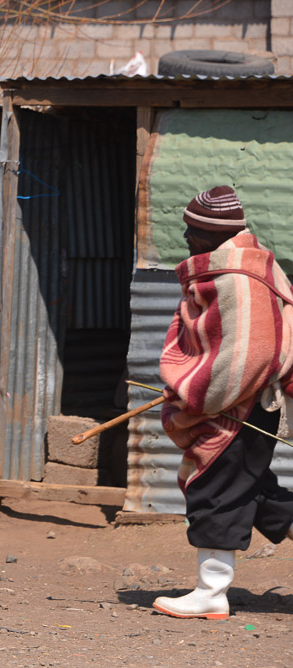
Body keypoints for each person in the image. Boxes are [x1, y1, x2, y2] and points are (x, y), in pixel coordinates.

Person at [154, 185, 293, 620]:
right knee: (250, 487)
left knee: (215, 488)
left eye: (192, 231)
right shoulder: (240, 268)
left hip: (240, 404)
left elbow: (249, 354)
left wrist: (197, 393)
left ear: (213, 234)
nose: (187, 239)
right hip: (244, 401)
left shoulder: (238, 278)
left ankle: (211, 592)